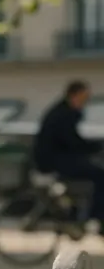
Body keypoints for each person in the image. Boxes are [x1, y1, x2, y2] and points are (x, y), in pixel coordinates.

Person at [34, 80, 104, 224]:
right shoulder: (65, 114)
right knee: (99, 175)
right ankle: (96, 217)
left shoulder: (60, 111)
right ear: (74, 95)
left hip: (52, 159)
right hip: (55, 162)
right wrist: (95, 147)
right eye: (83, 98)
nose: (85, 102)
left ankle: (78, 212)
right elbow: (71, 141)